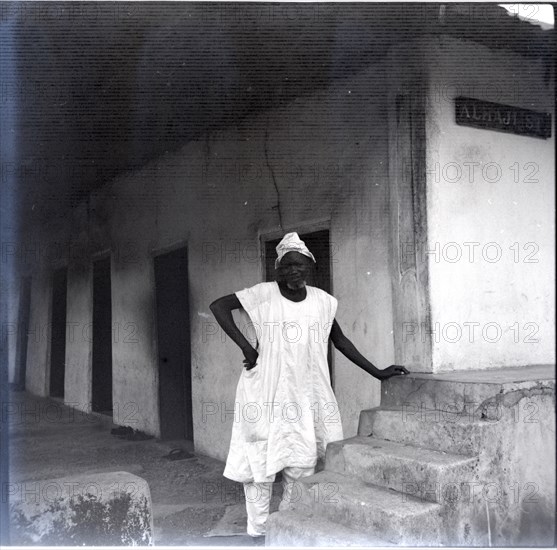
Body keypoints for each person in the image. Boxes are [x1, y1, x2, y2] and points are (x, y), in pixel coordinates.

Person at [209, 232, 408, 537]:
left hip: (305, 392)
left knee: (301, 462)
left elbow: (340, 341)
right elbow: (218, 306)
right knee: (259, 465)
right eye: (286, 266)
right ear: (277, 270)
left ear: (310, 268)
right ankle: (258, 532)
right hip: (264, 390)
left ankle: (288, 527)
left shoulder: (323, 302)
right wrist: (246, 348)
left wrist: (377, 371)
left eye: (299, 266)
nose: (293, 272)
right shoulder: (263, 293)